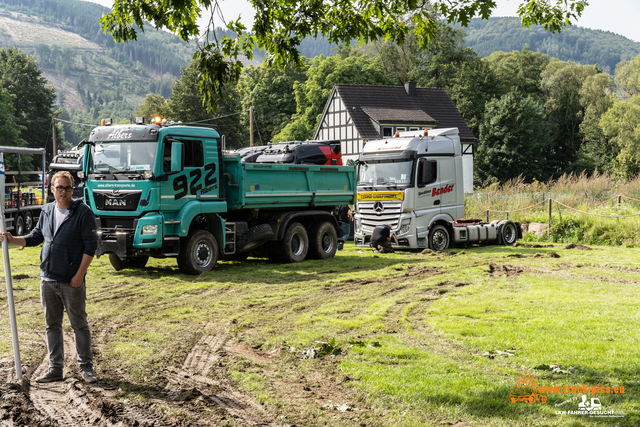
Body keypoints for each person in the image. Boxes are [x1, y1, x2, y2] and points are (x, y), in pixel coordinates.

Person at [0, 171, 98, 383]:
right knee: (52, 325)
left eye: (67, 188)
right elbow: (36, 237)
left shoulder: (83, 213)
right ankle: (55, 368)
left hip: (72, 280)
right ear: (52, 189)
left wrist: (79, 274)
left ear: (73, 189)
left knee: (79, 324)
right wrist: (12, 239)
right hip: (48, 279)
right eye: (59, 187)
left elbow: (91, 246)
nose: (63, 191)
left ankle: (86, 368)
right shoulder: (46, 210)